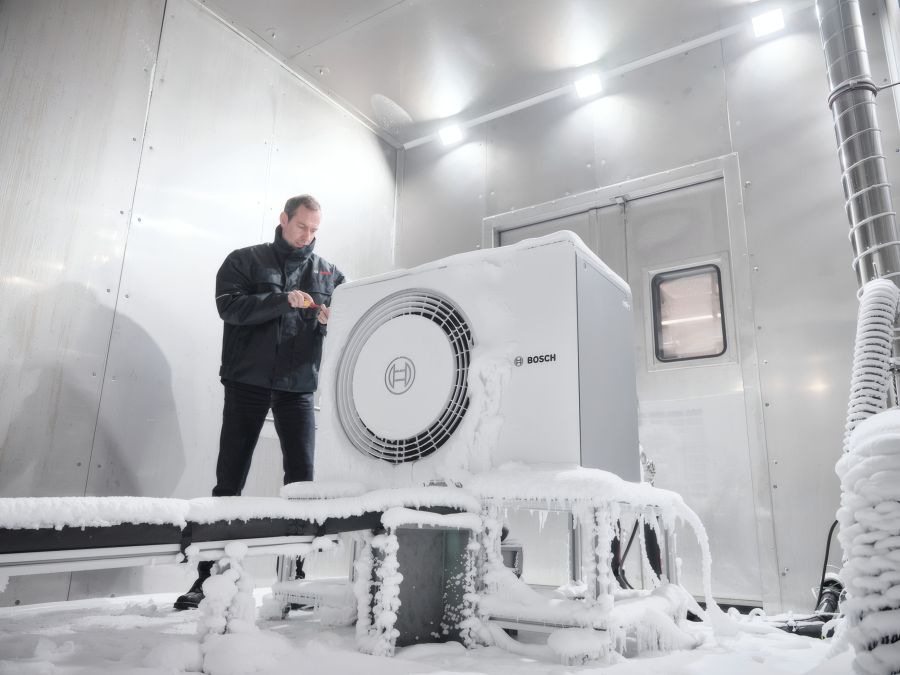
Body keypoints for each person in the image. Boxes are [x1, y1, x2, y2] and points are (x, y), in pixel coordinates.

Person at [174, 194, 345, 610]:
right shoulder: (245, 260)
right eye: (302, 226)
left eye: (315, 230)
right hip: (246, 383)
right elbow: (228, 308)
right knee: (229, 480)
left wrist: (330, 321)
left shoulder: (329, 273)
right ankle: (207, 581)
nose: (308, 236)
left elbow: (348, 326)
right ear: (284, 219)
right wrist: (280, 300)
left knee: (301, 484)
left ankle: (296, 583)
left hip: (299, 387)